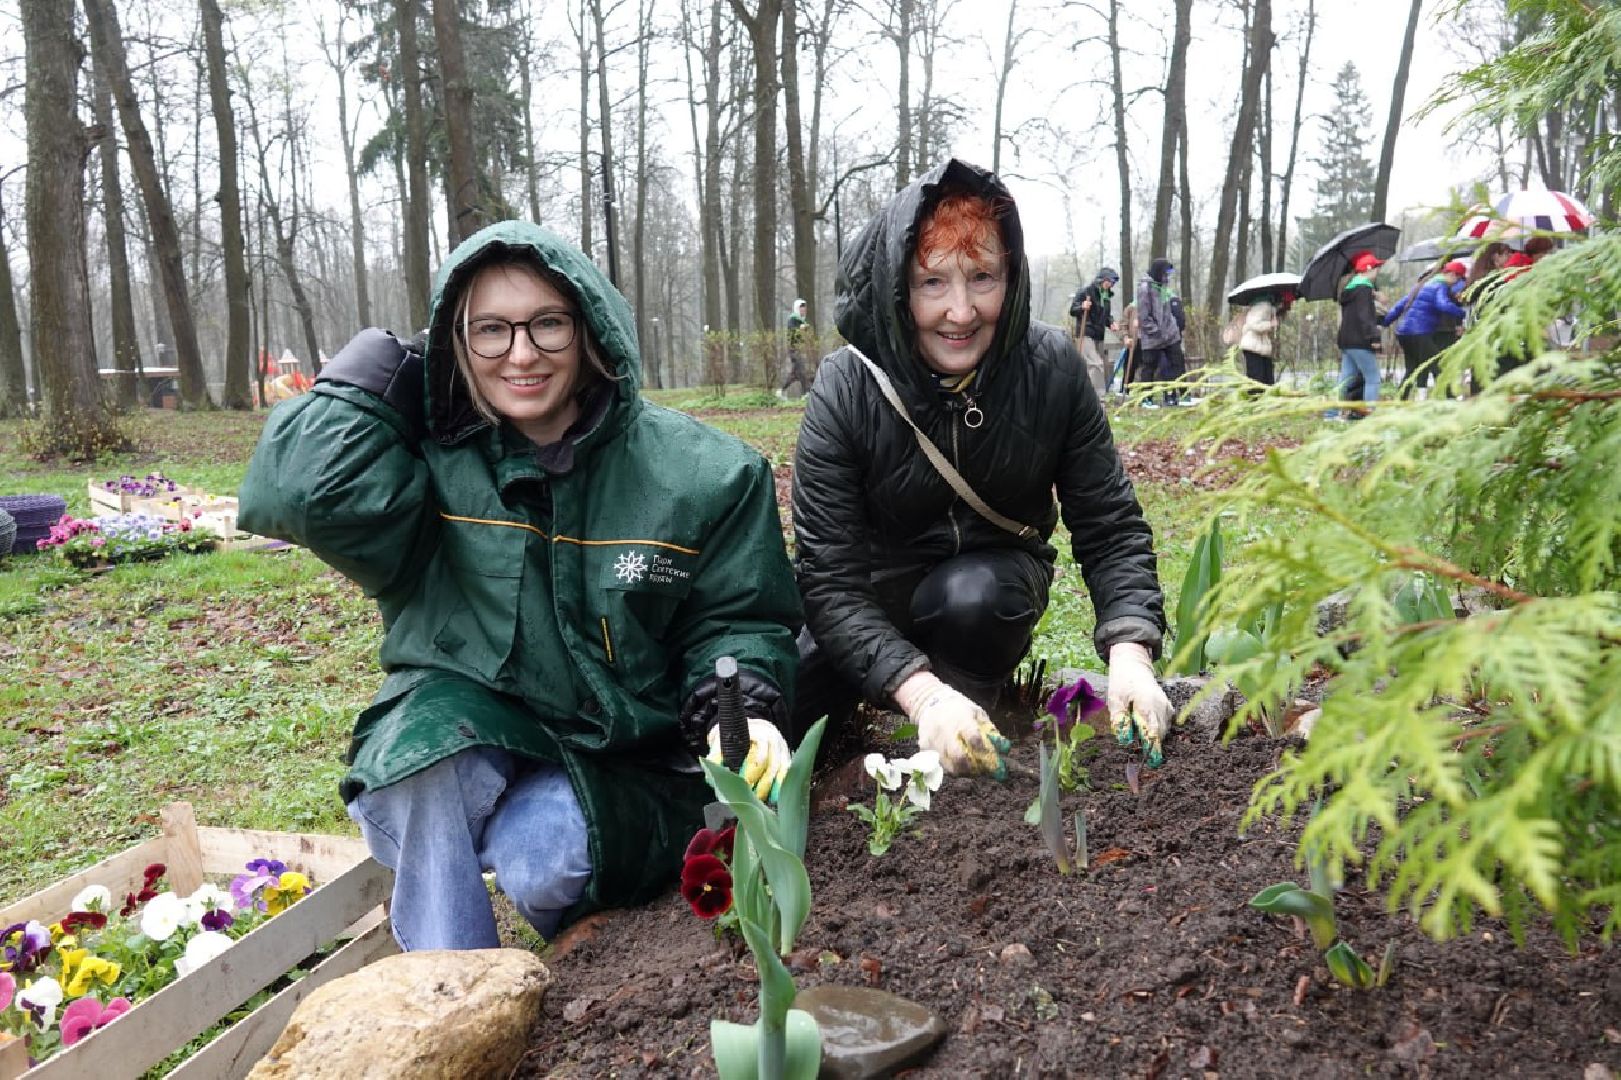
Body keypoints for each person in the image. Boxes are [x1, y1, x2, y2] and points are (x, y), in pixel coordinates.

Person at [237, 220, 801, 951]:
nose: (522, 354)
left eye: (547, 324)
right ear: (456, 342)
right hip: (477, 723)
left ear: (590, 327)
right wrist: (379, 370)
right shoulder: (432, 463)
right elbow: (301, 494)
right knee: (414, 767)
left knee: (541, 860)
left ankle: (578, 947)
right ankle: (451, 989)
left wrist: (741, 704)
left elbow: (740, 620)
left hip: (628, 754)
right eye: (490, 331)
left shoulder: (705, 473)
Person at [789, 159, 1173, 777]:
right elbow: (829, 582)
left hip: (986, 591)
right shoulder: (847, 388)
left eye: (982, 277)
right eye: (931, 283)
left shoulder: (1051, 370)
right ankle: (925, 708)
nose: (961, 312)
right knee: (787, 707)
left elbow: (1110, 525)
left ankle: (969, 720)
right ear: (896, 288)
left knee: (975, 596)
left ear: (1012, 277)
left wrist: (1131, 656)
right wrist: (922, 694)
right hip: (869, 600)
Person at [1380, 261, 1468, 399]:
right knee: (1436, 365)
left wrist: (1385, 322)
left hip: (1403, 333)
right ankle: (1450, 399)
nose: (1455, 283)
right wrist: (1462, 313)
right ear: (1451, 275)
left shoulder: (1422, 285)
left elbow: (1399, 306)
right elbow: (1443, 305)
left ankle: (1399, 400)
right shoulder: (1441, 286)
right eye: (1458, 278)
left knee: (1411, 369)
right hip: (1419, 332)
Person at [1331, 250, 1383, 419]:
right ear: (1368, 269)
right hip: (1360, 341)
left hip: (1346, 341)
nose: (1378, 271)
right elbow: (1365, 316)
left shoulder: (1351, 289)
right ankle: (1370, 415)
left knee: (1345, 379)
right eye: (1376, 268)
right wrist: (1374, 338)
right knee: (1373, 377)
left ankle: (1332, 413)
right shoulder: (1363, 289)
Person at [1135, 258, 1186, 406]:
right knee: (1149, 367)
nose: (1167, 277)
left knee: (1175, 363)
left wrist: (1173, 329)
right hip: (1152, 337)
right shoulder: (1145, 288)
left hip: (1170, 335)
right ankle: (1146, 398)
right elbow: (1144, 317)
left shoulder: (1163, 287)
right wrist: (1157, 332)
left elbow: (1167, 311)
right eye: (1165, 274)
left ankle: (1174, 395)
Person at [1068, 268, 1120, 399]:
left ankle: (1084, 394)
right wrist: (1082, 307)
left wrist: (1111, 323)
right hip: (1085, 333)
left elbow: (1106, 316)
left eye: (1113, 282)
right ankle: (1098, 397)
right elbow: (1073, 310)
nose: (1111, 285)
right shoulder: (1086, 292)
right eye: (1109, 281)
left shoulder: (1106, 297)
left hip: (1099, 334)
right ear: (1101, 279)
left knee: (1099, 365)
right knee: (1096, 364)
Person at [1238, 289, 1294, 386]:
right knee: (1257, 381)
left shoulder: (1269, 308)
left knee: (1267, 380)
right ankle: (1256, 400)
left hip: (1261, 348)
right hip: (1253, 347)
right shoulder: (1263, 306)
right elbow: (1253, 324)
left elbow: (1275, 315)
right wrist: (1270, 324)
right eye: (1287, 302)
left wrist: (1278, 315)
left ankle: (1264, 399)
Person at [779, 298, 813, 397]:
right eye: (801, 308)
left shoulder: (802, 321)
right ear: (797, 309)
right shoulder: (793, 319)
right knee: (801, 370)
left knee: (795, 373)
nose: (804, 310)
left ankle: (782, 391)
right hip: (794, 349)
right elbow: (792, 332)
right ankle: (807, 392)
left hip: (800, 349)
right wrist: (800, 329)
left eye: (804, 308)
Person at [1112, 300, 1139, 395]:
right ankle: (1125, 389)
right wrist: (1126, 337)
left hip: (1148, 341)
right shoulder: (1131, 307)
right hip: (1133, 340)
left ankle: (1146, 394)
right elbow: (1124, 324)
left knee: (1147, 368)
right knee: (1129, 365)